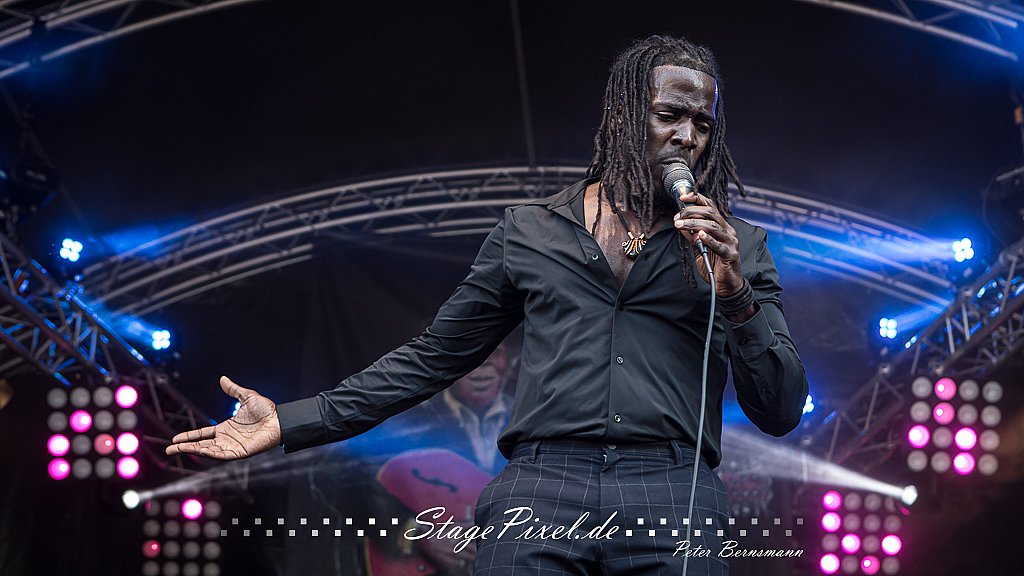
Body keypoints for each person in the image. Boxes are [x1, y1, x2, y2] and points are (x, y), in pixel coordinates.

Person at [166, 35, 808, 575]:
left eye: (702, 124)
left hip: (672, 492)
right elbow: (432, 357)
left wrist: (735, 294)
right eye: (669, 115)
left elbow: (779, 409)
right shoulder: (531, 232)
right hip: (543, 487)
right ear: (621, 114)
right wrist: (292, 421)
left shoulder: (739, 247)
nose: (687, 136)